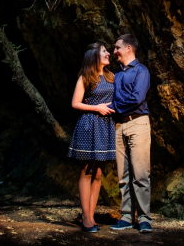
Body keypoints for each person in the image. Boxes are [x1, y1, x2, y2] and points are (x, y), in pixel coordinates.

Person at [67, 42, 116, 233]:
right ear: (95, 56)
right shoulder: (86, 76)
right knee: (87, 171)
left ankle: (92, 215)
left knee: (98, 173)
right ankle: (86, 217)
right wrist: (97, 107)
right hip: (89, 125)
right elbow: (75, 103)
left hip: (105, 126)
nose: (108, 53)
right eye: (104, 51)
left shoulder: (111, 77)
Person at [108, 34, 153, 234]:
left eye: (117, 47)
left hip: (138, 123)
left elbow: (136, 98)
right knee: (123, 175)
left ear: (128, 49)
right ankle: (126, 216)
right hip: (119, 126)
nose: (114, 51)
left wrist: (113, 107)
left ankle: (144, 219)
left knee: (141, 173)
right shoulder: (116, 74)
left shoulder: (141, 71)